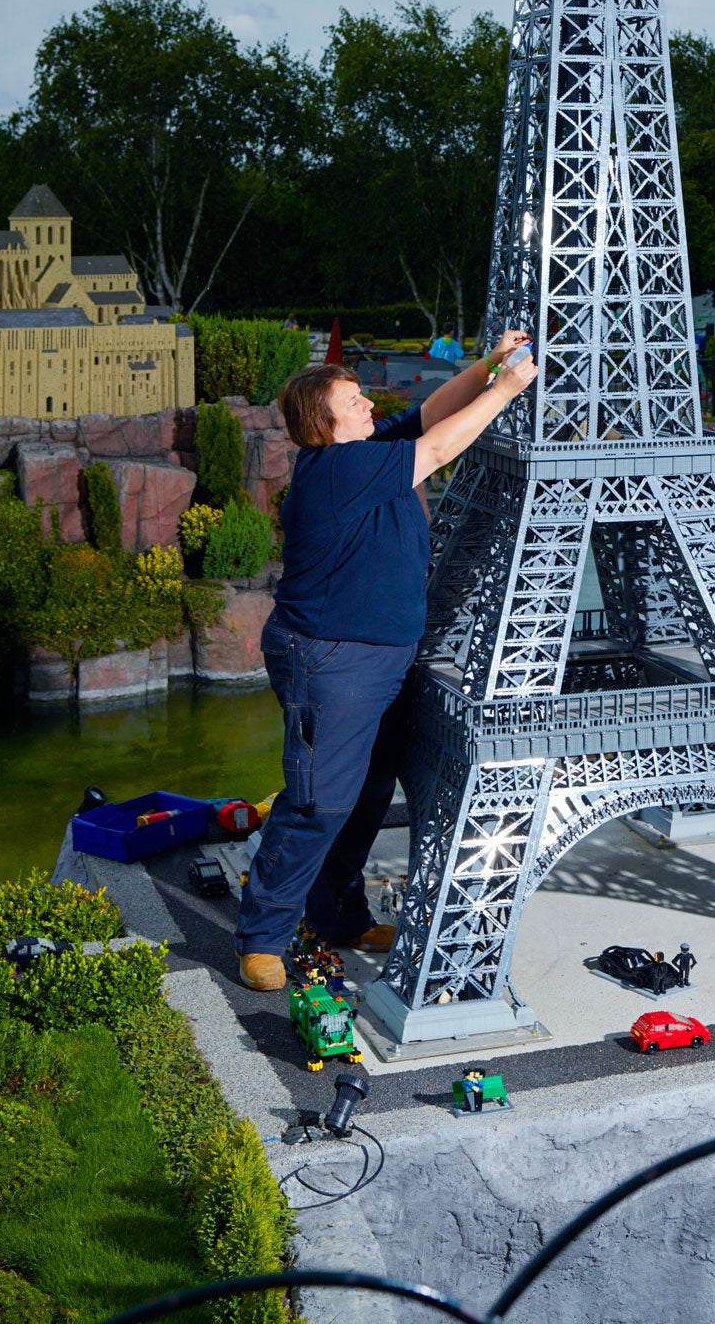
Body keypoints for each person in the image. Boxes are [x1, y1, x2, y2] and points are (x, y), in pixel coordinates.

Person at [234, 332, 537, 990]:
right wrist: (509, 389)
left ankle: (338, 915)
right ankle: (261, 936)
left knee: (367, 794)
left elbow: (430, 416)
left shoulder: (365, 452)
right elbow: (438, 446)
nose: (367, 402)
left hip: (381, 657)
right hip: (333, 662)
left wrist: (484, 366)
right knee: (318, 801)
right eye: (353, 399)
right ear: (323, 419)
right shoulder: (337, 470)